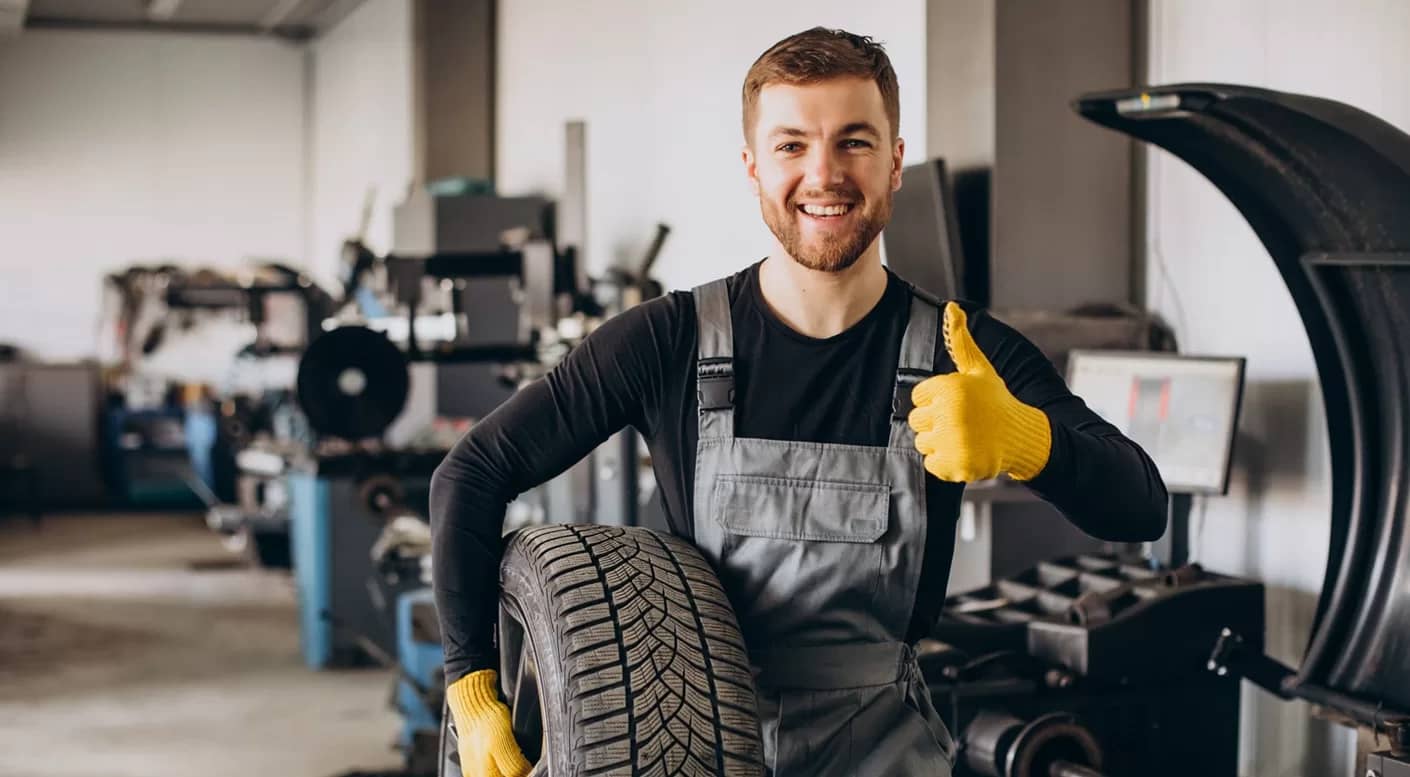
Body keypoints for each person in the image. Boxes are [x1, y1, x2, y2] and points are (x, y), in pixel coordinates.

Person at [429, 26, 1168, 777]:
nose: (824, 174)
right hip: (693, 750)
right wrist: (473, 686)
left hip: (888, 753)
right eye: (791, 146)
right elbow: (473, 472)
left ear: (895, 162)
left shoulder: (963, 349)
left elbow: (1141, 505)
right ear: (752, 168)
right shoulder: (669, 340)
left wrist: (1025, 439)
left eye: (854, 142)